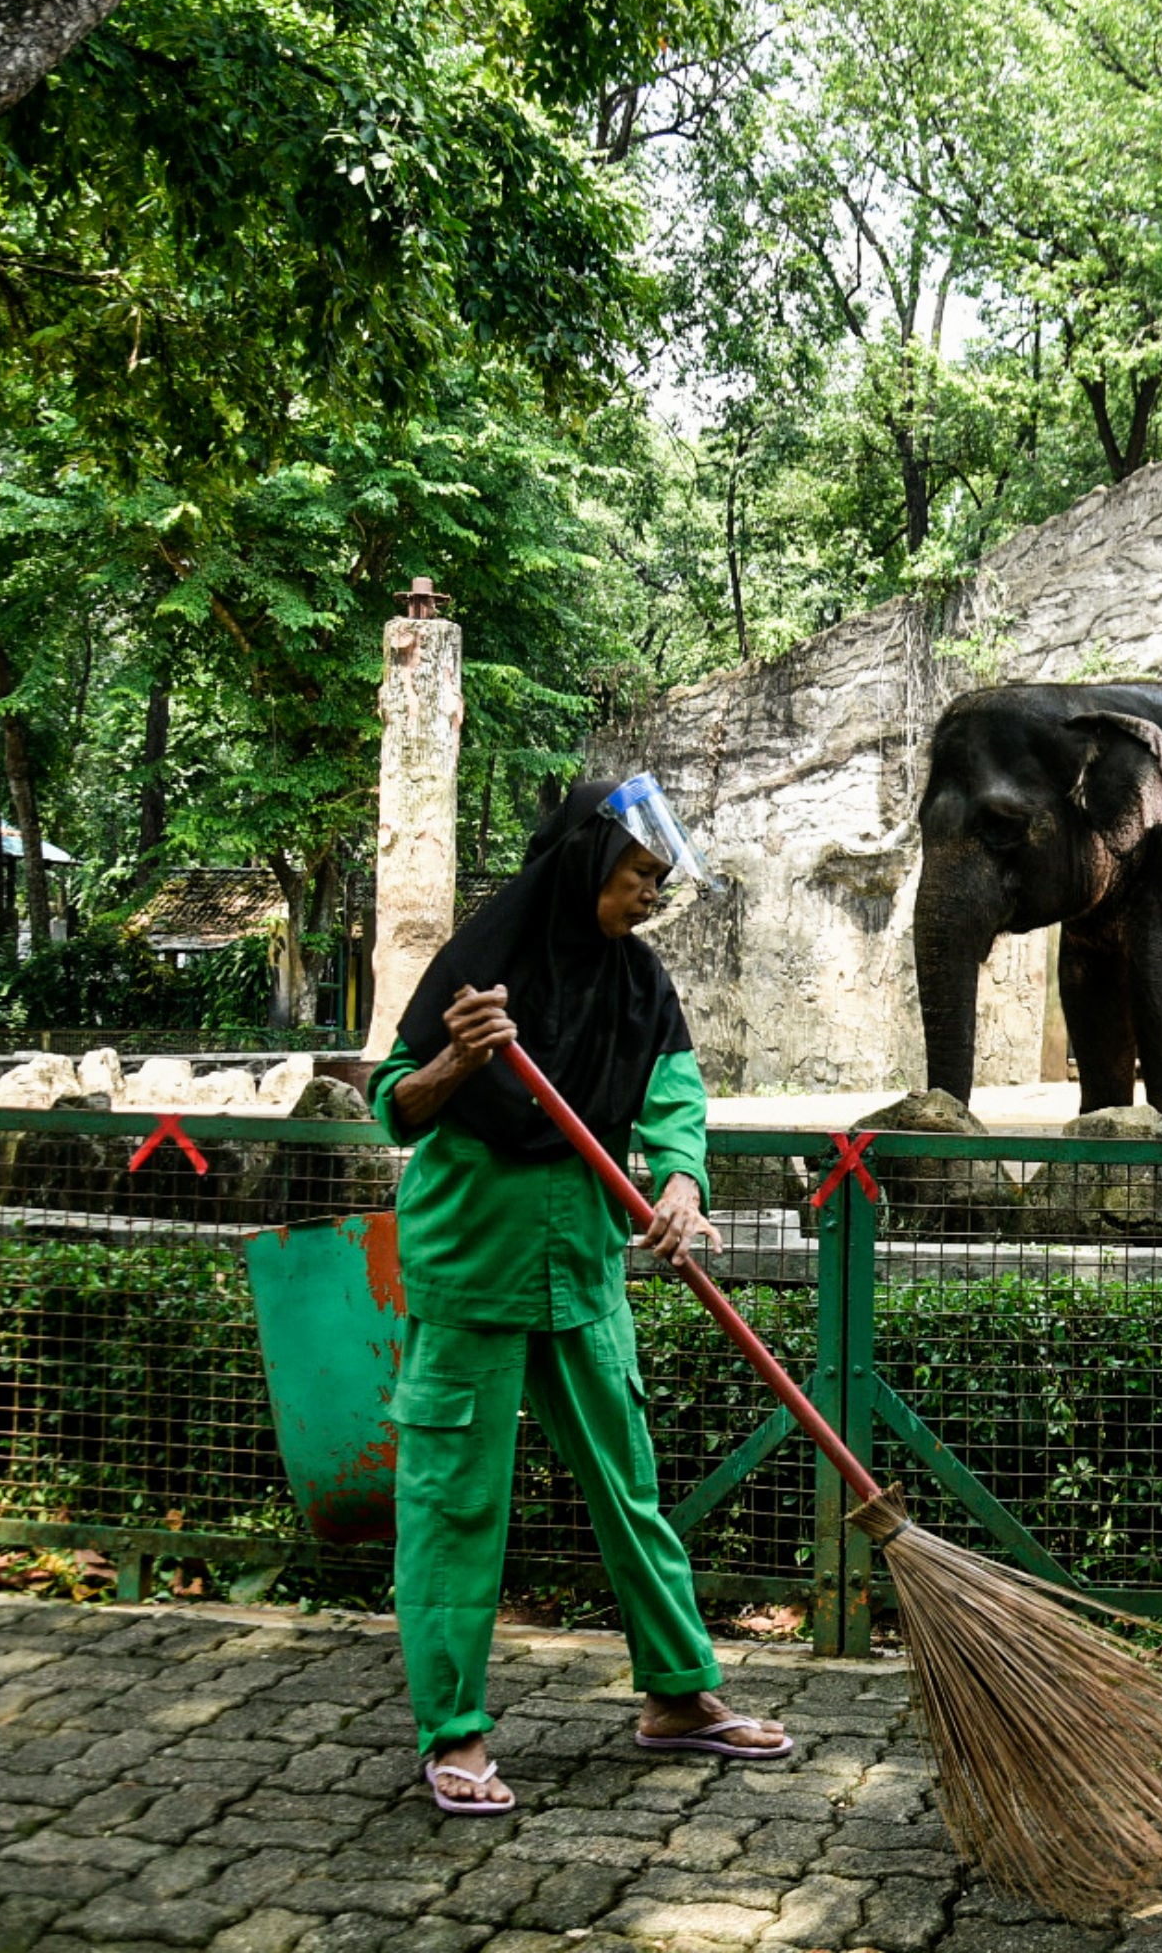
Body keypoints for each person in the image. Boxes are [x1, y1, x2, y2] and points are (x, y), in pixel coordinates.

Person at [370, 776, 792, 1815]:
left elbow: (675, 1101)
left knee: (628, 1481)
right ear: (582, 864)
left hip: (585, 1266)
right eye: (637, 876)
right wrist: (461, 1059)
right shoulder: (477, 968)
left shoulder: (640, 984)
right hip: (472, 1264)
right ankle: (454, 1732)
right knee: (455, 1500)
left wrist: (683, 1185)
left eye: (657, 879)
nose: (648, 897)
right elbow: (396, 1106)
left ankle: (680, 1693)